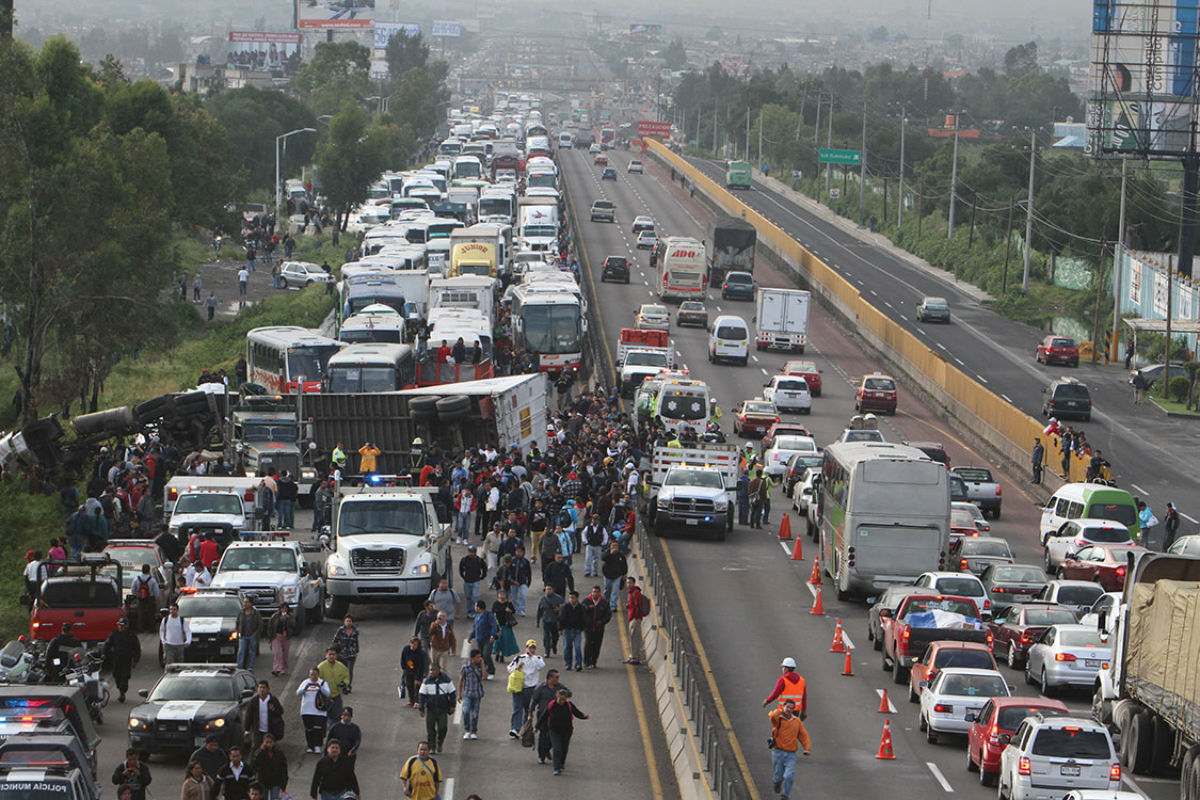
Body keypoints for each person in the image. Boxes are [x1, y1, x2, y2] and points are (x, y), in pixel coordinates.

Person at [535, 687, 589, 775]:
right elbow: (543, 717)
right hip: (554, 730)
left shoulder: (569, 705)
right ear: (557, 696)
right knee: (557, 748)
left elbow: (577, 713)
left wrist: (584, 716)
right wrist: (536, 727)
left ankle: (561, 763)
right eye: (560, 699)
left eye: (564, 700)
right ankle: (556, 768)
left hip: (567, 730)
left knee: (564, 748)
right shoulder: (551, 705)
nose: (562, 701)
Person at [767, 699, 812, 800]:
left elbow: (803, 735)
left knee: (789, 776)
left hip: (791, 754)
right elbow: (772, 716)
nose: (789, 710)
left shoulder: (797, 721)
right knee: (778, 776)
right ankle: (777, 783)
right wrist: (780, 711)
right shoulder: (778, 718)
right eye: (787, 707)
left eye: (792, 708)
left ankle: (785, 796)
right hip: (778, 752)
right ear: (783, 707)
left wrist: (807, 748)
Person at [529, 669, 571, 765]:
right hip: (543, 715)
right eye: (556, 677)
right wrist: (530, 713)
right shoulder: (541, 688)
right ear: (549, 678)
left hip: (555, 716)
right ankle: (541, 756)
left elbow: (569, 693)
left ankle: (547, 748)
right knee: (543, 735)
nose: (558, 679)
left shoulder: (560, 687)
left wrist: (563, 694)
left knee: (554, 736)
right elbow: (534, 701)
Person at [506, 639, 545, 737]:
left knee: (529, 710)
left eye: (533, 648)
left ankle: (525, 728)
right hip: (519, 687)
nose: (531, 650)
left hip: (532, 688)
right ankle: (515, 728)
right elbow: (509, 669)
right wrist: (517, 667)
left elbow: (541, 666)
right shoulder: (519, 658)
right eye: (530, 647)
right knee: (517, 708)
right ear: (526, 648)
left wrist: (532, 657)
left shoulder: (538, 658)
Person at [417, 663, 456, 753]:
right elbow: (422, 696)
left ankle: (440, 742)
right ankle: (432, 747)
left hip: (442, 709)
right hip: (431, 709)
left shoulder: (446, 680)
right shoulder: (426, 681)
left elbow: (452, 693)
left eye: (433, 670)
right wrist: (421, 709)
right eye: (430, 670)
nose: (431, 672)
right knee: (430, 729)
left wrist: (452, 706)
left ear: (439, 670)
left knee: (443, 728)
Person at [103, 618, 140, 703]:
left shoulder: (131, 635)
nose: (120, 627)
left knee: (125, 675)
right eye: (119, 625)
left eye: (122, 625)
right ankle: (119, 688)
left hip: (127, 658)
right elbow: (108, 644)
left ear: (126, 626)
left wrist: (135, 660)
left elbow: (137, 648)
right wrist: (104, 653)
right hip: (116, 658)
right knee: (116, 674)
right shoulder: (114, 634)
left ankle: (122, 692)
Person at [243, 680, 285, 753]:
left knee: (270, 749)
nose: (262, 689)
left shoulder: (273, 700)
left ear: (267, 689)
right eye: (260, 687)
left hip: (270, 730)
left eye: (264, 687)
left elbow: (280, 711)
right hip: (258, 731)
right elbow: (249, 715)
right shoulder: (254, 701)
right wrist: (247, 730)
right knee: (255, 749)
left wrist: (273, 709)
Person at [296, 668, 331, 754]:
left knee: (318, 729)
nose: (313, 676)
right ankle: (310, 746)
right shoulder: (305, 682)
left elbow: (328, 693)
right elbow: (298, 693)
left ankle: (317, 745)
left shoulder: (323, 683)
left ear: (318, 675)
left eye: (315, 674)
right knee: (309, 729)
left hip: (319, 711)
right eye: (311, 674)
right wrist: (305, 688)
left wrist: (320, 688)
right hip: (306, 710)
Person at [581, 585, 613, 669]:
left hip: (599, 628)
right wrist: (588, 609)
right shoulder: (586, 601)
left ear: (599, 593)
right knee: (588, 643)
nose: (594, 594)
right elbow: (582, 612)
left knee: (597, 645)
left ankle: (594, 661)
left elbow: (608, 615)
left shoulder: (604, 603)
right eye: (593, 592)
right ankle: (586, 661)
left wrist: (602, 622)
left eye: (596, 592)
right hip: (588, 627)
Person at [458, 649, 486, 740]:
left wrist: (482, 664)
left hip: (477, 694)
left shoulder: (479, 667)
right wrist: (459, 694)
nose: (479, 659)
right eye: (477, 657)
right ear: (472, 658)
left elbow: (485, 676)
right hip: (468, 693)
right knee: (466, 712)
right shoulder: (465, 667)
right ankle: (467, 730)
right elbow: (461, 680)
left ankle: (474, 731)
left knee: (475, 714)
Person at [316, 648, 350, 722]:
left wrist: (344, 683)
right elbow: (316, 680)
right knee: (326, 715)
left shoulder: (341, 666)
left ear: (336, 656)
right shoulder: (321, 667)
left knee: (338, 715)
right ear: (326, 655)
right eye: (330, 654)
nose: (331, 656)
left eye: (333, 654)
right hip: (325, 697)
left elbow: (347, 676)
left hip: (337, 695)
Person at [251, 734, 288, 800]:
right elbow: (255, 764)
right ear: (263, 742)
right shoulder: (259, 753)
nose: (268, 744)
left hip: (276, 782)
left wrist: (283, 784)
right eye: (266, 742)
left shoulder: (279, 754)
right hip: (263, 782)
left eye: (270, 742)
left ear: (274, 742)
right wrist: (261, 751)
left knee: (274, 798)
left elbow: (284, 769)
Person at [468, 600, 498, 678]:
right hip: (479, 639)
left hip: (487, 639)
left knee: (486, 655)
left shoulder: (488, 615)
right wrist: (471, 636)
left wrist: (492, 636)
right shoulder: (477, 616)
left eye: (475, 606)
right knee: (480, 657)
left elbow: (494, 626)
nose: (475, 608)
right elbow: (475, 628)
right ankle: (482, 671)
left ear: (479, 607)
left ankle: (491, 670)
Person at [558, 590, 586, 671]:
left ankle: (578, 664)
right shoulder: (564, 607)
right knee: (567, 647)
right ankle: (568, 664)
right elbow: (560, 619)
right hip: (567, 630)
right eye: (570, 597)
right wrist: (560, 629)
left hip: (577, 631)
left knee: (577, 647)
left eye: (573, 598)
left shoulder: (581, 608)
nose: (571, 599)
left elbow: (584, 618)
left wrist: (582, 628)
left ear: (577, 598)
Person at [331, 616, 359, 692]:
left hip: (351, 654)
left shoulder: (355, 631)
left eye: (350, 621)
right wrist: (336, 651)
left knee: (350, 670)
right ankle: (341, 684)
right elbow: (335, 640)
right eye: (347, 621)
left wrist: (356, 651)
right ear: (344, 622)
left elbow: (356, 642)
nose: (348, 623)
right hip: (342, 653)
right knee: (341, 669)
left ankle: (348, 686)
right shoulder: (340, 630)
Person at [458, 546, 487, 618]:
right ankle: (469, 611)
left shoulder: (479, 560)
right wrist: (463, 577)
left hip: (476, 581)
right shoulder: (465, 560)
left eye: (473, 551)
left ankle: (475, 612)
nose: (472, 553)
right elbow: (461, 569)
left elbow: (484, 568)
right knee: (468, 597)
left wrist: (482, 576)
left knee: (475, 597)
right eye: (470, 551)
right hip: (467, 581)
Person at [624, 576, 648, 665]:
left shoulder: (636, 593)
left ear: (634, 583)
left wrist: (636, 617)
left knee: (634, 638)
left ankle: (635, 657)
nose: (628, 584)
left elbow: (638, 606)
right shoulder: (631, 593)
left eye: (630, 582)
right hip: (632, 617)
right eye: (627, 583)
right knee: (632, 638)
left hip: (635, 618)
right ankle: (633, 656)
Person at [266, 603, 295, 676]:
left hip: (286, 637)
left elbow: (294, 624)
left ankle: (284, 669)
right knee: (278, 653)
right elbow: (270, 625)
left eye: (285, 608)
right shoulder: (275, 616)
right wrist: (270, 636)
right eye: (282, 608)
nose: (284, 610)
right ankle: (277, 669)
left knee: (285, 654)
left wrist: (288, 618)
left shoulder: (290, 616)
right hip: (277, 636)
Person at [400, 636, 430, 706]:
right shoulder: (406, 649)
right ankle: (411, 700)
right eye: (412, 643)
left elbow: (421, 666)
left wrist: (418, 678)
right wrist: (403, 667)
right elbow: (403, 658)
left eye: (415, 644)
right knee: (409, 685)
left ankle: (418, 701)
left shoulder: (421, 653)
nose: (413, 646)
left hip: (417, 671)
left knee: (417, 686)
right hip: (408, 670)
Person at [536, 584, 564, 655]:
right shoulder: (542, 599)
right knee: (546, 636)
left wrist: (559, 609)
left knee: (555, 636)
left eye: (550, 589)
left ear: (553, 590)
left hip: (555, 620)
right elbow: (539, 611)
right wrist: (537, 621)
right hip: (546, 620)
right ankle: (547, 651)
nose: (548, 591)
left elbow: (565, 608)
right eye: (547, 589)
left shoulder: (558, 598)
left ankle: (553, 645)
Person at [130, 564, 159, 632]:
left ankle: (141, 628)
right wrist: (156, 598)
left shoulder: (137, 579)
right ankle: (151, 629)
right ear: (149, 570)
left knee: (141, 613)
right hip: (150, 599)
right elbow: (156, 591)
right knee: (151, 614)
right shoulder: (152, 580)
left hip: (140, 599)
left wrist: (137, 595)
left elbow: (133, 589)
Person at [600, 540, 628, 610]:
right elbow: (603, 558)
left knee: (615, 591)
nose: (614, 547)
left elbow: (624, 565)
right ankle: (606, 602)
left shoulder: (621, 555)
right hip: (608, 575)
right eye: (613, 545)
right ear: (610, 546)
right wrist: (610, 554)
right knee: (607, 589)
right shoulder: (607, 553)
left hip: (617, 575)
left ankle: (613, 605)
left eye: (616, 546)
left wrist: (624, 574)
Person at [236, 597, 261, 671]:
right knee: (241, 651)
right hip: (243, 635)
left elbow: (260, 624)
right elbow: (237, 623)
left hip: (252, 635)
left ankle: (250, 667)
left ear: (251, 603)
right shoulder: (241, 613)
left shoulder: (255, 613)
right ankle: (240, 667)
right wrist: (238, 632)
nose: (245, 604)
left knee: (252, 652)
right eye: (244, 602)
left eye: (246, 602)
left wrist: (256, 634)